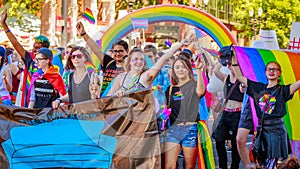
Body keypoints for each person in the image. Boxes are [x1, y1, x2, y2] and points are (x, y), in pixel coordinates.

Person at [232, 53, 300, 168]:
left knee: (272, 164)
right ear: (265, 72)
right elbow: (239, 76)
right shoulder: (258, 88)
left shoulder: (283, 90)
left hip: (276, 131)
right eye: (269, 69)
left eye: (275, 69)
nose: (272, 71)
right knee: (262, 163)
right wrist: (233, 59)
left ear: (279, 73)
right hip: (262, 130)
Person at [108, 37, 193, 96]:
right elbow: (108, 97)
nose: (139, 62)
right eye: (136, 59)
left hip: (142, 119)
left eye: (142, 59)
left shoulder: (146, 75)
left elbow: (163, 59)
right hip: (124, 119)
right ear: (130, 61)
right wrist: (116, 94)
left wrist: (181, 44)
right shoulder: (120, 78)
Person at [161, 55, 205, 169]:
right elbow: (165, 110)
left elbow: (200, 92)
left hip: (190, 129)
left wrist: (199, 71)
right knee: (169, 166)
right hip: (173, 130)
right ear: (173, 71)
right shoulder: (170, 89)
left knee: (189, 166)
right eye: (177, 67)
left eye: (183, 67)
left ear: (189, 69)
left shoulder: (194, 85)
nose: (180, 70)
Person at [1, 9, 50, 107]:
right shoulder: (30, 58)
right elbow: (15, 43)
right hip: (28, 100)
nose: (34, 50)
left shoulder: (51, 64)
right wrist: (4, 24)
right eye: (33, 47)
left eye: (37, 48)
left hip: (45, 102)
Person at [76, 21, 129, 96]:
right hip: (106, 101)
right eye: (115, 51)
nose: (117, 54)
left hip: (124, 101)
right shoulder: (109, 62)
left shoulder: (131, 65)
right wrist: (84, 34)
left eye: (120, 51)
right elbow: (96, 50)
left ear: (127, 51)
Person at [213, 58, 244, 169]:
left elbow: (244, 89)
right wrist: (222, 59)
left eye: (233, 65)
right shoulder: (226, 78)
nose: (231, 67)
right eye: (229, 65)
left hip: (237, 114)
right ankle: (223, 165)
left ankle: (234, 166)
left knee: (235, 143)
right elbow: (216, 71)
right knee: (219, 138)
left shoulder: (242, 81)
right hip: (226, 113)